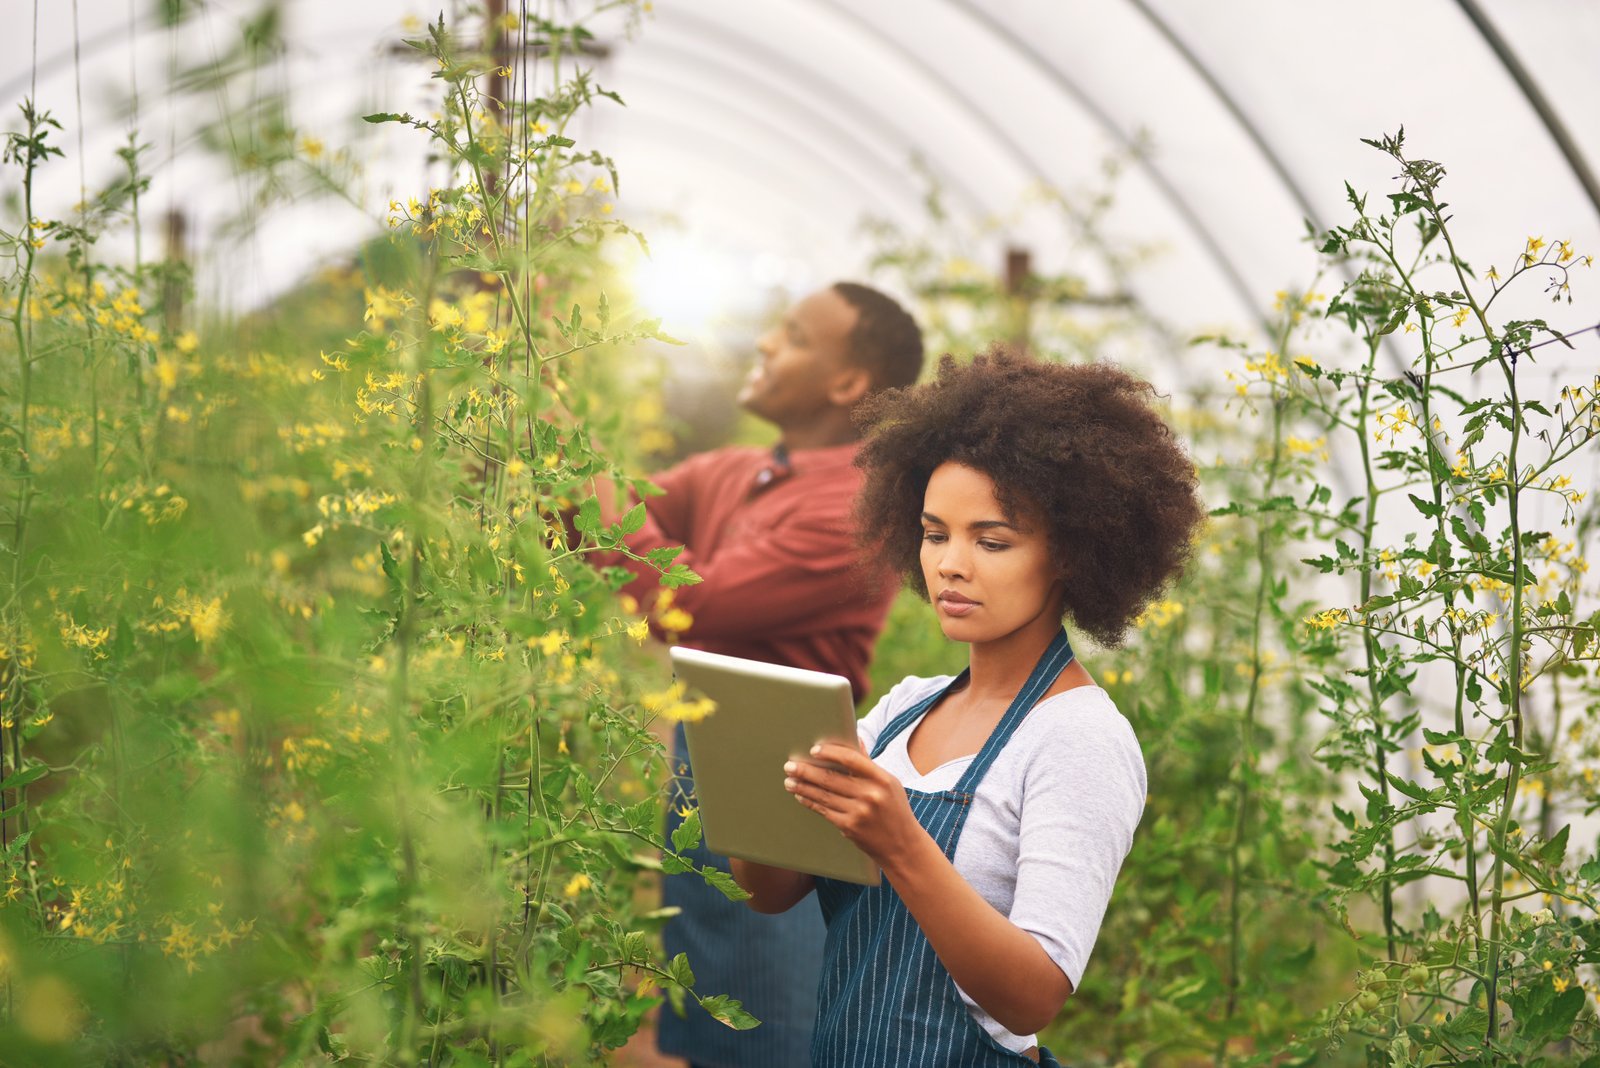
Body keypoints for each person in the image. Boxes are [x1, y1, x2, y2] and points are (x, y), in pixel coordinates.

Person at [730, 349, 1205, 1066]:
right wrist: (768, 791)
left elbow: (1034, 995)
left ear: (1072, 555)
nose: (951, 563)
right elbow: (769, 895)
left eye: (992, 540)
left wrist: (900, 842)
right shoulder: (903, 711)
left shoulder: (1078, 739)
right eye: (933, 533)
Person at [595, 282, 924, 1068]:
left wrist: (574, 457)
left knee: (765, 1024)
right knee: (710, 996)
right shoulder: (740, 470)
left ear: (849, 383)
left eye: (795, 335)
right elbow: (619, 517)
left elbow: (682, 602)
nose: (767, 344)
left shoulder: (855, 509)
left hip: (790, 775)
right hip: (705, 750)